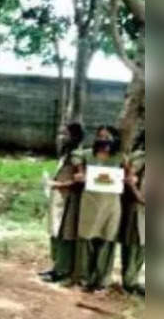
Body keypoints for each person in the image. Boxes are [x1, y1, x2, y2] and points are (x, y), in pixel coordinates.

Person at [72, 133, 123, 292]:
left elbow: (128, 174)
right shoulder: (86, 155)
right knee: (86, 238)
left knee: (107, 239)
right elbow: (76, 163)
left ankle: (101, 280)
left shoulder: (120, 158)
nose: (105, 141)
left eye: (109, 138)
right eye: (102, 137)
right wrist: (80, 174)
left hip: (111, 203)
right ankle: (83, 278)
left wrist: (130, 179)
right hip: (90, 202)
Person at [41, 122, 85, 284]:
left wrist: (58, 185)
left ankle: (63, 269)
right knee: (54, 232)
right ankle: (55, 266)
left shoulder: (77, 156)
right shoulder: (66, 154)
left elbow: (79, 179)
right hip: (58, 198)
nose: (61, 137)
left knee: (65, 233)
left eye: (65, 134)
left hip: (68, 201)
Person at [120, 132, 145, 295]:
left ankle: (134, 278)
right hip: (137, 207)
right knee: (133, 243)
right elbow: (129, 178)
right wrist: (138, 196)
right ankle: (129, 281)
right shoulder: (139, 157)